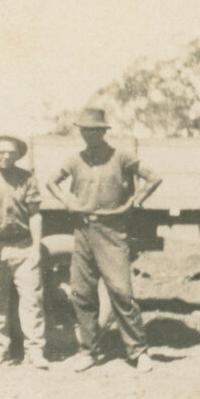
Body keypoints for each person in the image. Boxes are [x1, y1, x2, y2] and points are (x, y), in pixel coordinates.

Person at [45, 107, 162, 373]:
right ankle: (89, 351)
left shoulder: (121, 156)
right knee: (82, 292)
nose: (90, 135)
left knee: (121, 292)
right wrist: (67, 201)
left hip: (112, 230)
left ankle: (139, 352)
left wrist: (136, 201)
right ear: (81, 132)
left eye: (95, 130)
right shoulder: (75, 160)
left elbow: (154, 178)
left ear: (103, 131)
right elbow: (51, 182)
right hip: (83, 230)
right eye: (85, 130)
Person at [0, 135, 48, 370]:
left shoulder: (27, 178)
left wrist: (36, 247)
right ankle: (0, 350)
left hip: (23, 246)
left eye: (11, 153)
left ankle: (34, 351)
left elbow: (35, 214)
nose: (5, 156)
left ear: (17, 155)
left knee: (32, 300)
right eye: (1, 152)